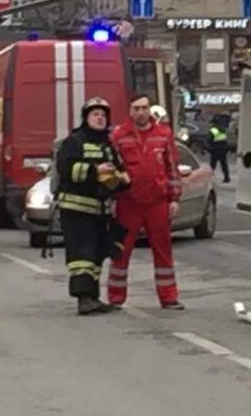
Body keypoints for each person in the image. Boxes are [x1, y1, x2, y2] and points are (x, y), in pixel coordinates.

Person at [106, 93, 185, 309]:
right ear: (129, 111)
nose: (141, 112)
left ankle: (169, 297)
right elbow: (112, 169)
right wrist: (112, 199)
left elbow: (172, 168)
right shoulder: (118, 136)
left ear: (150, 109)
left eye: (144, 108)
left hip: (157, 202)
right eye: (136, 108)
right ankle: (115, 297)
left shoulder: (163, 134)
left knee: (163, 251)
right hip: (128, 202)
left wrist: (174, 199)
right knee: (121, 251)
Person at [54, 97, 128, 315]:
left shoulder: (108, 145)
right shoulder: (75, 141)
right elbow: (67, 169)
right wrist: (96, 171)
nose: (100, 118)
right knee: (81, 255)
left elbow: (119, 170)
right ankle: (83, 298)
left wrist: (121, 179)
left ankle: (93, 296)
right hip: (76, 209)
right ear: (86, 118)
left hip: (99, 210)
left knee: (97, 253)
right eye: (95, 114)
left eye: (103, 115)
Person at [207, 114, 230, 183]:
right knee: (224, 164)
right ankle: (227, 177)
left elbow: (210, 140)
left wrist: (208, 146)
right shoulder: (223, 129)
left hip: (215, 149)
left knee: (212, 165)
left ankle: (209, 178)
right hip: (223, 148)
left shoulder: (213, 129)